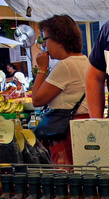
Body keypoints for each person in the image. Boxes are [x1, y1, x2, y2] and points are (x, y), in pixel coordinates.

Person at [32, 15, 90, 164]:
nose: (44, 46)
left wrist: (42, 69)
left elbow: (37, 100)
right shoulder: (84, 60)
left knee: (65, 176)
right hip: (81, 128)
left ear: (58, 39)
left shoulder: (66, 65)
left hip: (66, 131)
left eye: (45, 40)